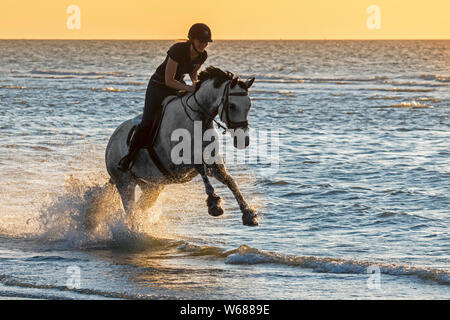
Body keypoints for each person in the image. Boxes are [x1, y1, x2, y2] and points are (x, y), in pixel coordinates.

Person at [117, 23, 212, 172]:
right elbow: (169, 80)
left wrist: (196, 84)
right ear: (191, 39)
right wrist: (189, 88)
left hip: (178, 85)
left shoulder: (203, 55)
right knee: (148, 120)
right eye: (201, 41)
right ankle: (129, 157)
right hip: (158, 86)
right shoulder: (178, 50)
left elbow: (193, 73)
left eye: (206, 42)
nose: (204, 45)